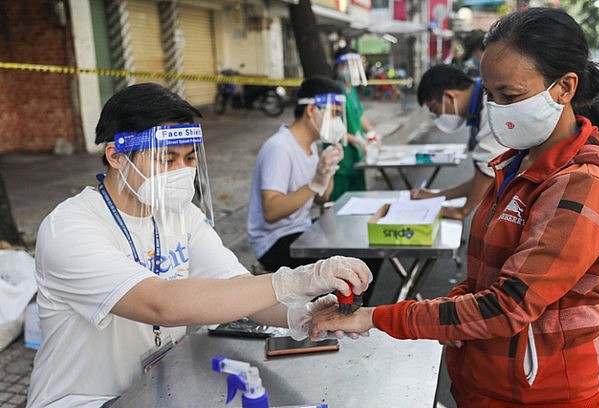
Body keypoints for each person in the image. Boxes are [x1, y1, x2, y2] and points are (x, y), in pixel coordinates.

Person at [310, 7, 599, 407]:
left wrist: (375, 317)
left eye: (510, 95)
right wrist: (431, 312)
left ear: (565, 88)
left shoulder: (585, 184)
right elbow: (485, 280)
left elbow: (507, 305)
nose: (496, 107)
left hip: (545, 393)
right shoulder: (517, 161)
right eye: (489, 93)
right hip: (485, 380)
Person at [27, 83, 372, 408]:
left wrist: (299, 313)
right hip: (87, 400)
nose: (181, 170)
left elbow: (236, 289)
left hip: (157, 388)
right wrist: (296, 279)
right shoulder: (69, 229)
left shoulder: (180, 214)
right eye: (167, 158)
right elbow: (159, 303)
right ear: (116, 155)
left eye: (189, 158)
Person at [247, 76, 345, 272]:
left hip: (301, 230)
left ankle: (352, 303)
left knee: (357, 242)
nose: (337, 122)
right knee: (349, 262)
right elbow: (271, 212)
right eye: (333, 114)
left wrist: (328, 170)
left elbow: (322, 198)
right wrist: (315, 183)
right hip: (274, 242)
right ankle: (344, 303)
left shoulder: (311, 147)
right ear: (311, 110)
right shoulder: (280, 148)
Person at [412, 64, 506, 220]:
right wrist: (438, 195)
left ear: (449, 96)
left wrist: (463, 211)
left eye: (436, 110)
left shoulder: (491, 105)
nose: (439, 117)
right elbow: (482, 179)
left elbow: (488, 172)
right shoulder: (481, 106)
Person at [329, 47, 377, 202]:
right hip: (341, 160)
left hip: (356, 157)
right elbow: (329, 127)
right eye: (355, 64)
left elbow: (359, 115)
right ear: (342, 66)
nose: (360, 67)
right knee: (339, 206)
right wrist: (356, 140)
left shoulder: (351, 91)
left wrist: (373, 134)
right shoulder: (335, 92)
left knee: (359, 203)